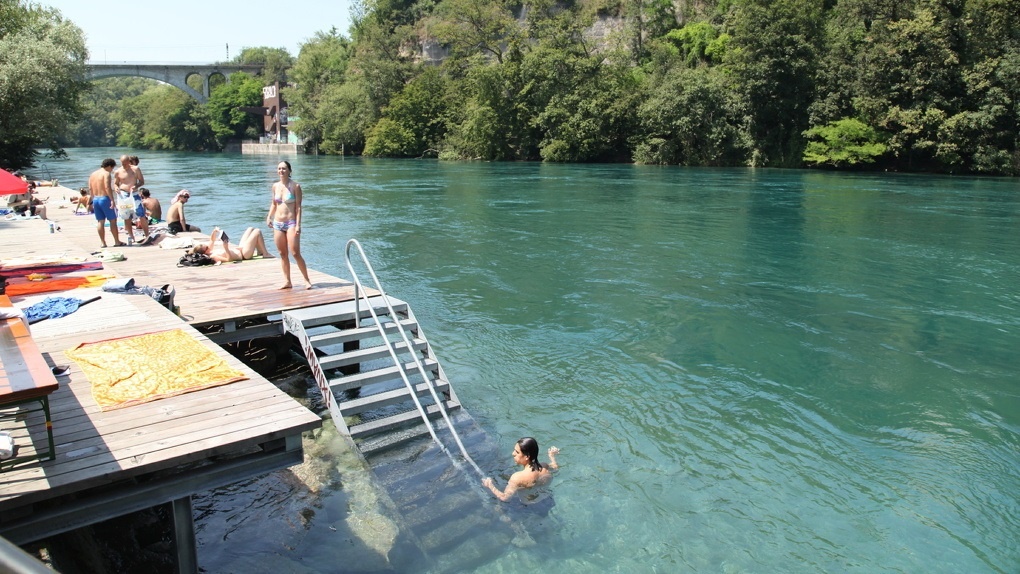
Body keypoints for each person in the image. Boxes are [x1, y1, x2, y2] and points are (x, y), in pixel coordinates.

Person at [266, 160, 311, 289]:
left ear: (290, 171)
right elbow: (274, 204)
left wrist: (298, 225)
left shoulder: (295, 186)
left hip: (291, 223)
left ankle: (306, 280)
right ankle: (287, 281)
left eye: (284, 168)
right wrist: (269, 217)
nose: (281, 171)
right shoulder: (275, 186)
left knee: (295, 252)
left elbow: (298, 208)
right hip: (277, 223)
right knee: (282, 254)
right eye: (279, 168)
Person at [482, 438, 560, 502]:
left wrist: (490, 485)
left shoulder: (517, 477)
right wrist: (551, 456)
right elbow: (555, 468)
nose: (513, 454)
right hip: (546, 500)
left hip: (528, 507)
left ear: (527, 456)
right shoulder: (544, 467)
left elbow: (505, 498)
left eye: (517, 452)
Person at [88, 158, 123, 248]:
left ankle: (103, 242)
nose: (112, 171)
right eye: (112, 168)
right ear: (109, 166)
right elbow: (107, 187)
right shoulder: (106, 174)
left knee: (100, 221)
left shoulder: (93, 174)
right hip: (104, 199)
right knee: (112, 220)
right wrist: (112, 200)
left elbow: (90, 188)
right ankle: (117, 241)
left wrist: (91, 200)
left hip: (96, 199)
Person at [191, 227, 273, 263]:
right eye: (207, 247)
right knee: (257, 231)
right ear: (205, 252)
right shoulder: (213, 256)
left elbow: (212, 240)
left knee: (250, 229)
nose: (209, 246)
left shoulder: (210, 251)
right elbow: (229, 259)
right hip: (244, 255)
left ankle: (260, 251)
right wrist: (226, 248)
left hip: (240, 249)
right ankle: (265, 253)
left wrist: (215, 231)